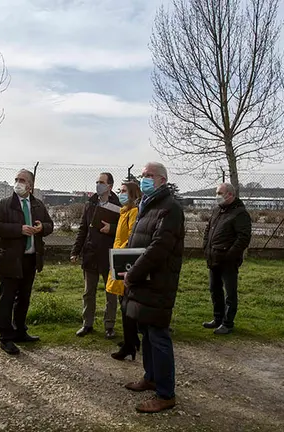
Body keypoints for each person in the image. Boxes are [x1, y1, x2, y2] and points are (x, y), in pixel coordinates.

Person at [121, 162, 185, 413]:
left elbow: (159, 247)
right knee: (146, 332)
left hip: (158, 281)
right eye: (143, 175)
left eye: (149, 175)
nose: (144, 179)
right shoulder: (146, 206)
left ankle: (166, 393)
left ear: (162, 180)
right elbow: (138, 242)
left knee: (158, 336)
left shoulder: (170, 209)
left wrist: (133, 273)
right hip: (143, 279)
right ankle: (151, 377)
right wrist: (124, 264)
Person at [0, 169, 54, 355]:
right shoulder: (3, 204)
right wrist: (19, 229)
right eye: (17, 179)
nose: (18, 182)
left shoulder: (38, 205)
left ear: (30, 185)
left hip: (30, 259)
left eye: (23, 180)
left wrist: (42, 228)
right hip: (9, 259)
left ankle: (20, 331)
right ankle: (6, 338)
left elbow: (50, 225)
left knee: (24, 298)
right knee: (7, 299)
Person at [71, 172, 121, 339]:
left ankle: (109, 325)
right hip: (90, 253)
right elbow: (83, 230)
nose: (98, 185)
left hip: (109, 255)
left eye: (101, 182)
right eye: (97, 182)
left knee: (110, 293)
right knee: (88, 292)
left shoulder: (119, 204)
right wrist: (75, 251)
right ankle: (87, 323)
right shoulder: (90, 204)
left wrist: (111, 229)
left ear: (110, 186)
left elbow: (124, 230)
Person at [202, 182, 252, 335]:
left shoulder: (239, 213)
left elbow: (243, 238)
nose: (217, 196)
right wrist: (206, 247)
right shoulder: (218, 210)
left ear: (229, 194)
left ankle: (228, 323)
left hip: (228, 261)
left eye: (219, 193)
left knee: (230, 292)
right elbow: (208, 230)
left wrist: (230, 255)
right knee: (214, 290)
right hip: (213, 257)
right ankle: (218, 318)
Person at [106, 180, 143, 361]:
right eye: (119, 190)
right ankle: (132, 339)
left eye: (123, 191)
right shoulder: (124, 212)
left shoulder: (133, 212)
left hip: (125, 260)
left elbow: (131, 238)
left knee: (126, 303)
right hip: (119, 258)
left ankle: (130, 345)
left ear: (132, 194)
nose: (120, 194)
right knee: (123, 301)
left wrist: (121, 256)